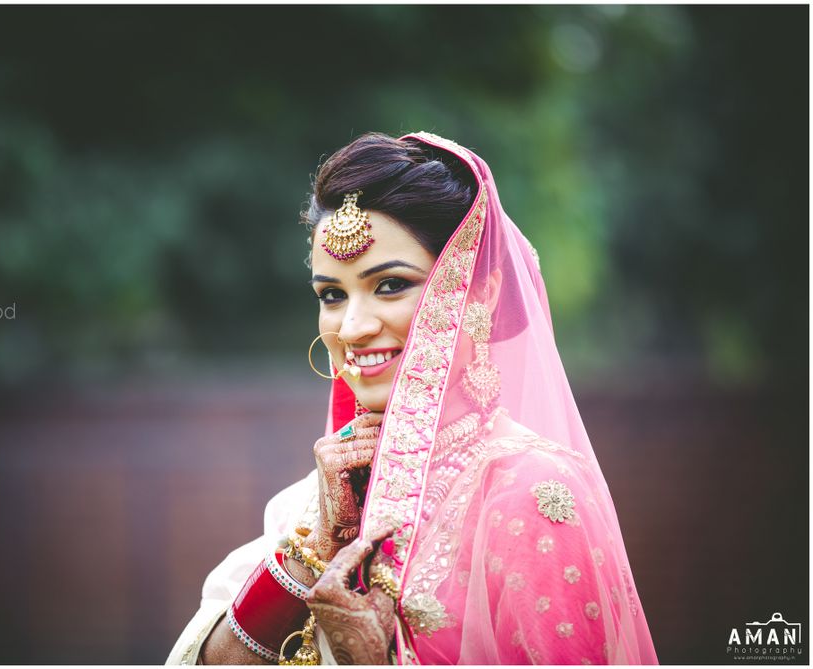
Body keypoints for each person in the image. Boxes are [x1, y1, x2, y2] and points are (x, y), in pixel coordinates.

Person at [166, 131, 659, 665]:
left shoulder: (526, 490)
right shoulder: (320, 498)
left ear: (481, 292)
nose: (352, 327)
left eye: (390, 285)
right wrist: (314, 550)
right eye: (332, 294)